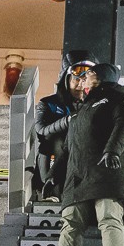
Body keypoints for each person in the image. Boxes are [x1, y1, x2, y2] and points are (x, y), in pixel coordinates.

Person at [50, 63, 124, 246]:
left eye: (88, 74)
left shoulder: (119, 99)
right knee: (70, 221)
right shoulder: (81, 109)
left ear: (102, 77)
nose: (83, 79)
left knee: (109, 217)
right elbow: (68, 148)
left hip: (108, 172)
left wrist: (113, 150)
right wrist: (54, 175)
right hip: (78, 177)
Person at [30, 51, 98, 202]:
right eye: (76, 79)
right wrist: (67, 121)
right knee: (58, 142)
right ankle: (52, 191)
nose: (81, 85)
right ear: (66, 79)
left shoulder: (98, 104)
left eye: (85, 80)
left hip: (86, 156)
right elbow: (41, 129)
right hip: (56, 153)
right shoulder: (49, 103)